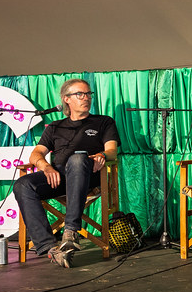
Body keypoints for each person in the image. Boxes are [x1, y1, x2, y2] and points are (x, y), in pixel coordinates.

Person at [14, 79, 120, 268]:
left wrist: (102, 155)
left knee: (77, 159)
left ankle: (71, 231)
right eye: (80, 94)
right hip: (59, 176)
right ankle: (50, 248)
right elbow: (36, 154)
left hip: (88, 174)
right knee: (23, 184)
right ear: (66, 99)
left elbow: (112, 150)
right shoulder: (55, 126)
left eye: (89, 94)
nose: (86, 98)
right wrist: (46, 167)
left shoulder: (103, 122)